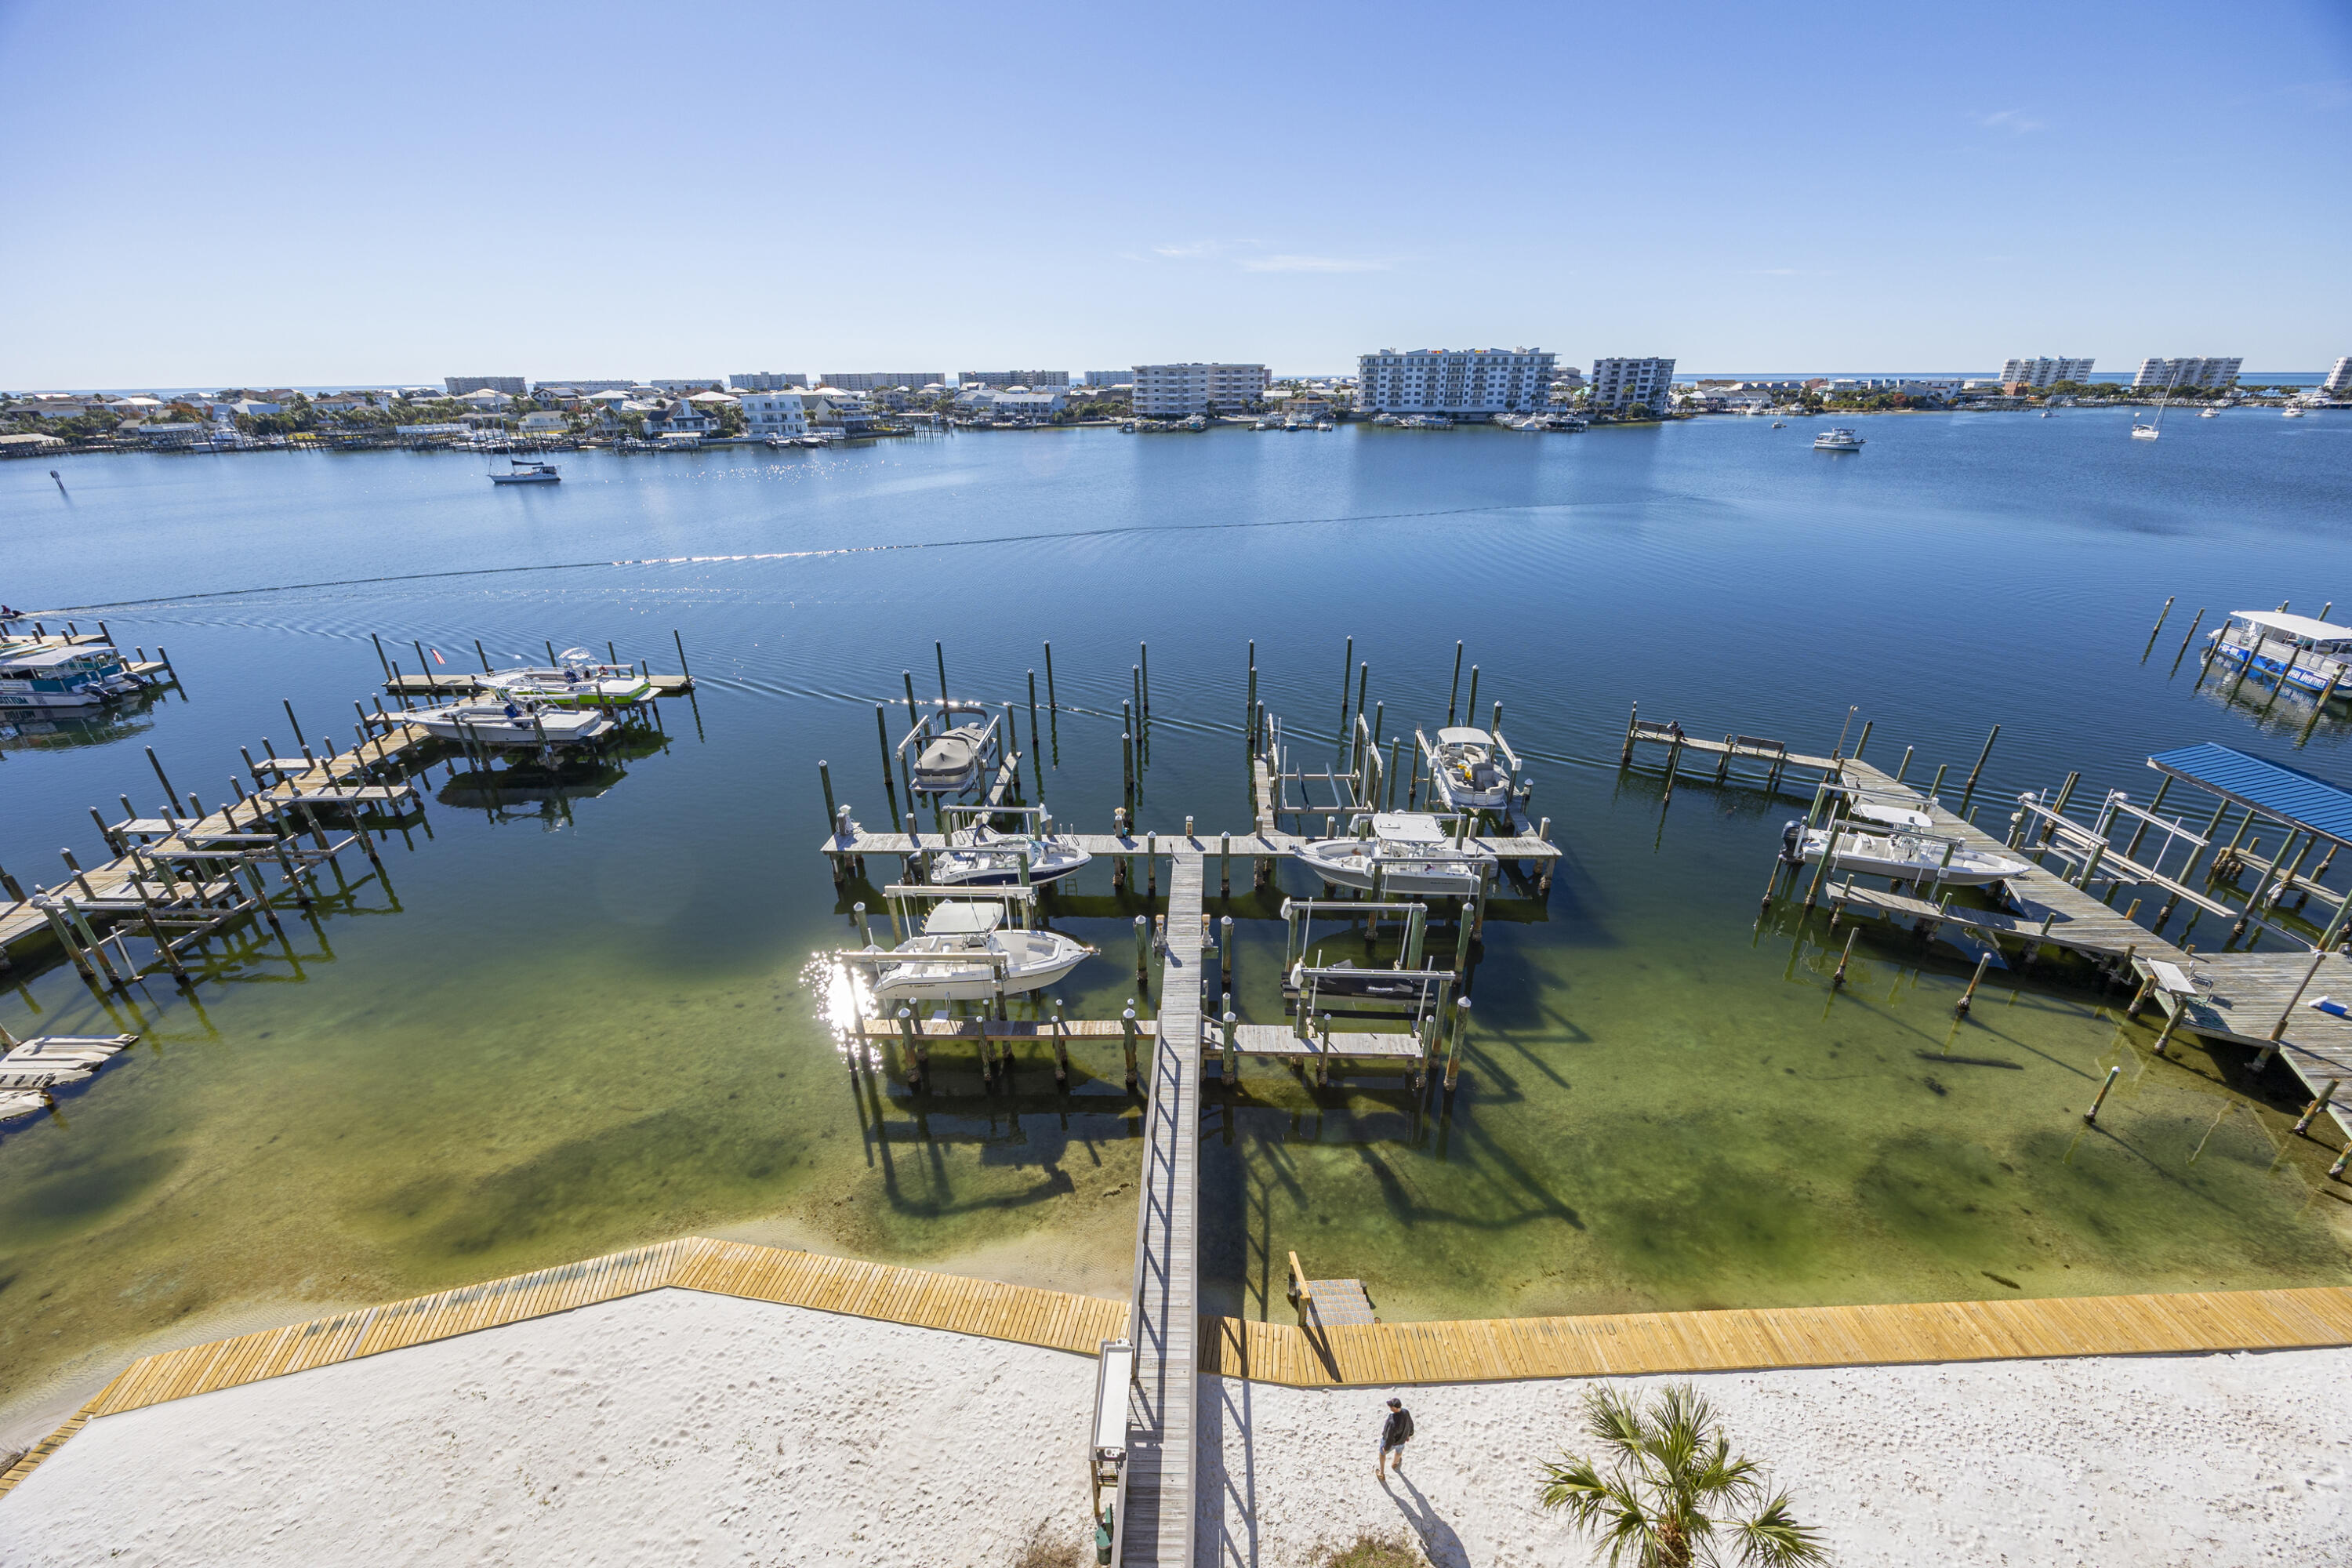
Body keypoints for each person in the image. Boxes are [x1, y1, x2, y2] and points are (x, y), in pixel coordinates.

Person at [1377, 1396, 1414, 1479]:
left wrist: (1386, 1448)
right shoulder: (1406, 1412)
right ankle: (1395, 1463)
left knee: (1382, 1453)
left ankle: (1382, 1473)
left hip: (1393, 1442)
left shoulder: (1392, 1421)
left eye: (1391, 1407)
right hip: (1402, 1440)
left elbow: (1390, 1437)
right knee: (1399, 1452)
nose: (1390, 1408)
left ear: (1396, 1408)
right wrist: (1409, 1435)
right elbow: (1410, 1424)